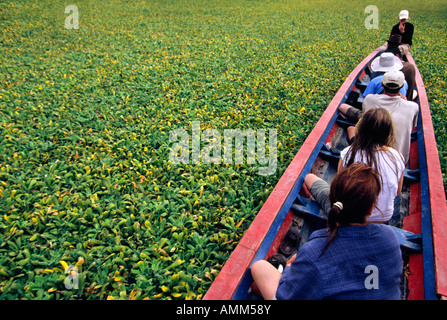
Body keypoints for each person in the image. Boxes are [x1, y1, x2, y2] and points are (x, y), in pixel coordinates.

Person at [251, 163, 403, 300]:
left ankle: (285, 269)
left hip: (308, 269)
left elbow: (290, 296)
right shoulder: (390, 237)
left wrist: (289, 271)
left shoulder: (316, 250)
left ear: (333, 200)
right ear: (370, 209)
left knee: (259, 267)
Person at [305, 108, 405, 223]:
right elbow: (397, 192)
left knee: (309, 177)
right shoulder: (397, 156)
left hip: (350, 216)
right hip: (384, 217)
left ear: (361, 129)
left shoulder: (348, 152)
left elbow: (339, 189)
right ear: (388, 132)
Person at [340, 70, 418, 164]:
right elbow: (412, 126)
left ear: (382, 84)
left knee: (351, 129)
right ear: (402, 86)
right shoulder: (413, 107)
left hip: (369, 153)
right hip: (399, 160)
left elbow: (364, 118)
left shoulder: (369, 99)